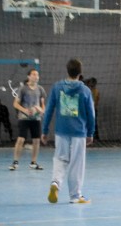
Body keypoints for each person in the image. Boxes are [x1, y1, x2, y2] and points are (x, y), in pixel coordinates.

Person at [41, 59, 95, 204]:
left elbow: (48, 110)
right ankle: (75, 196)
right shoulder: (85, 90)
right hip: (78, 132)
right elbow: (91, 114)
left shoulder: (57, 87)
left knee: (60, 159)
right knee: (76, 163)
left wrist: (44, 130)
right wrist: (90, 133)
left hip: (61, 131)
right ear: (80, 73)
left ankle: (55, 183)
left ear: (67, 70)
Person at [11, 69, 47, 171]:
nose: (36, 76)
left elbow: (43, 105)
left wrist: (41, 110)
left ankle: (33, 163)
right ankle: (15, 162)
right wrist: (25, 110)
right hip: (24, 118)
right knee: (21, 139)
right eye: (34, 74)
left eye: (37, 75)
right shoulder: (23, 89)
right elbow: (15, 104)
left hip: (36, 119)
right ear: (29, 76)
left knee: (36, 140)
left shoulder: (40, 89)